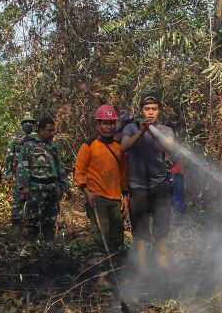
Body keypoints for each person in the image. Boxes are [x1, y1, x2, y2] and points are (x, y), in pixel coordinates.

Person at [119, 93, 175, 273]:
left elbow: (170, 148)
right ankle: (142, 273)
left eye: (154, 109)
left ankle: (163, 270)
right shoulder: (130, 128)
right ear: (141, 110)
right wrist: (142, 131)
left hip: (160, 187)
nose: (150, 113)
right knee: (141, 234)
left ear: (159, 110)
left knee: (162, 232)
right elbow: (124, 147)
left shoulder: (166, 130)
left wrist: (154, 132)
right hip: (138, 189)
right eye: (147, 109)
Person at [74, 104, 128, 262]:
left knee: (117, 234)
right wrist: (86, 192)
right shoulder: (89, 145)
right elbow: (79, 171)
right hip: (96, 196)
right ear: (98, 125)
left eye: (112, 123)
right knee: (99, 233)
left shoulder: (120, 147)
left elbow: (124, 173)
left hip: (115, 198)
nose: (109, 127)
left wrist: (125, 196)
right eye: (105, 123)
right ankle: (98, 271)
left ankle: (116, 267)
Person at [16, 116, 70, 242]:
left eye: (53, 131)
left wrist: (65, 186)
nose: (52, 133)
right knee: (32, 222)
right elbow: (22, 166)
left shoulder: (53, 147)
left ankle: (49, 248)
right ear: (41, 130)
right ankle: (32, 247)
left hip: (52, 189)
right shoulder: (29, 145)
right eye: (49, 130)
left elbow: (59, 167)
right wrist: (23, 186)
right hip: (36, 190)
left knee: (50, 222)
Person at [5, 113, 37, 236]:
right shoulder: (15, 139)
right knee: (18, 198)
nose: (28, 125)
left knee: (33, 199)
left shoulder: (37, 139)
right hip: (20, 172)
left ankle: (31, 224)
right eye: (26, 122)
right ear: (22, 125)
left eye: (31, 123)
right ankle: (16, 224)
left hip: (35, 172)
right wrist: (8, 173)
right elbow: (9, 157)